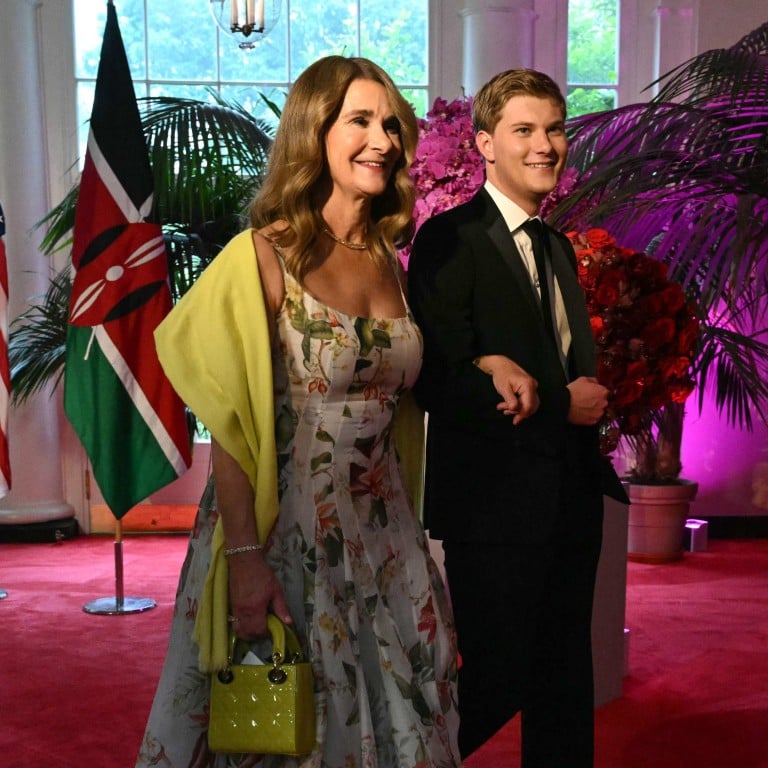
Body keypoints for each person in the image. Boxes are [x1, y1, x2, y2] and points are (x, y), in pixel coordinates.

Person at [136, 56, 461, 768]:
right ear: (314, 132)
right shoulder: (262, 256)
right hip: (289, 535)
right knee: (289, 731)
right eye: (360, 121)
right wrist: (248, 561)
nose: (383, 139)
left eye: (391, 124)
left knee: (405, 721)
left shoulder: (387, 258)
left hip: (384, 533)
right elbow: (231, 430)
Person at [407, 69, 626, 767]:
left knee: (565, 683)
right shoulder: (449, 238)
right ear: (485, 145)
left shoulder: (558, 247)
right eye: (525, 130)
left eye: (555, 129)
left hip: (571, 498)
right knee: (497, 677)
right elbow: (435, 379)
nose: (546, 145)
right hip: (493, 508)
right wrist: (564, 402)